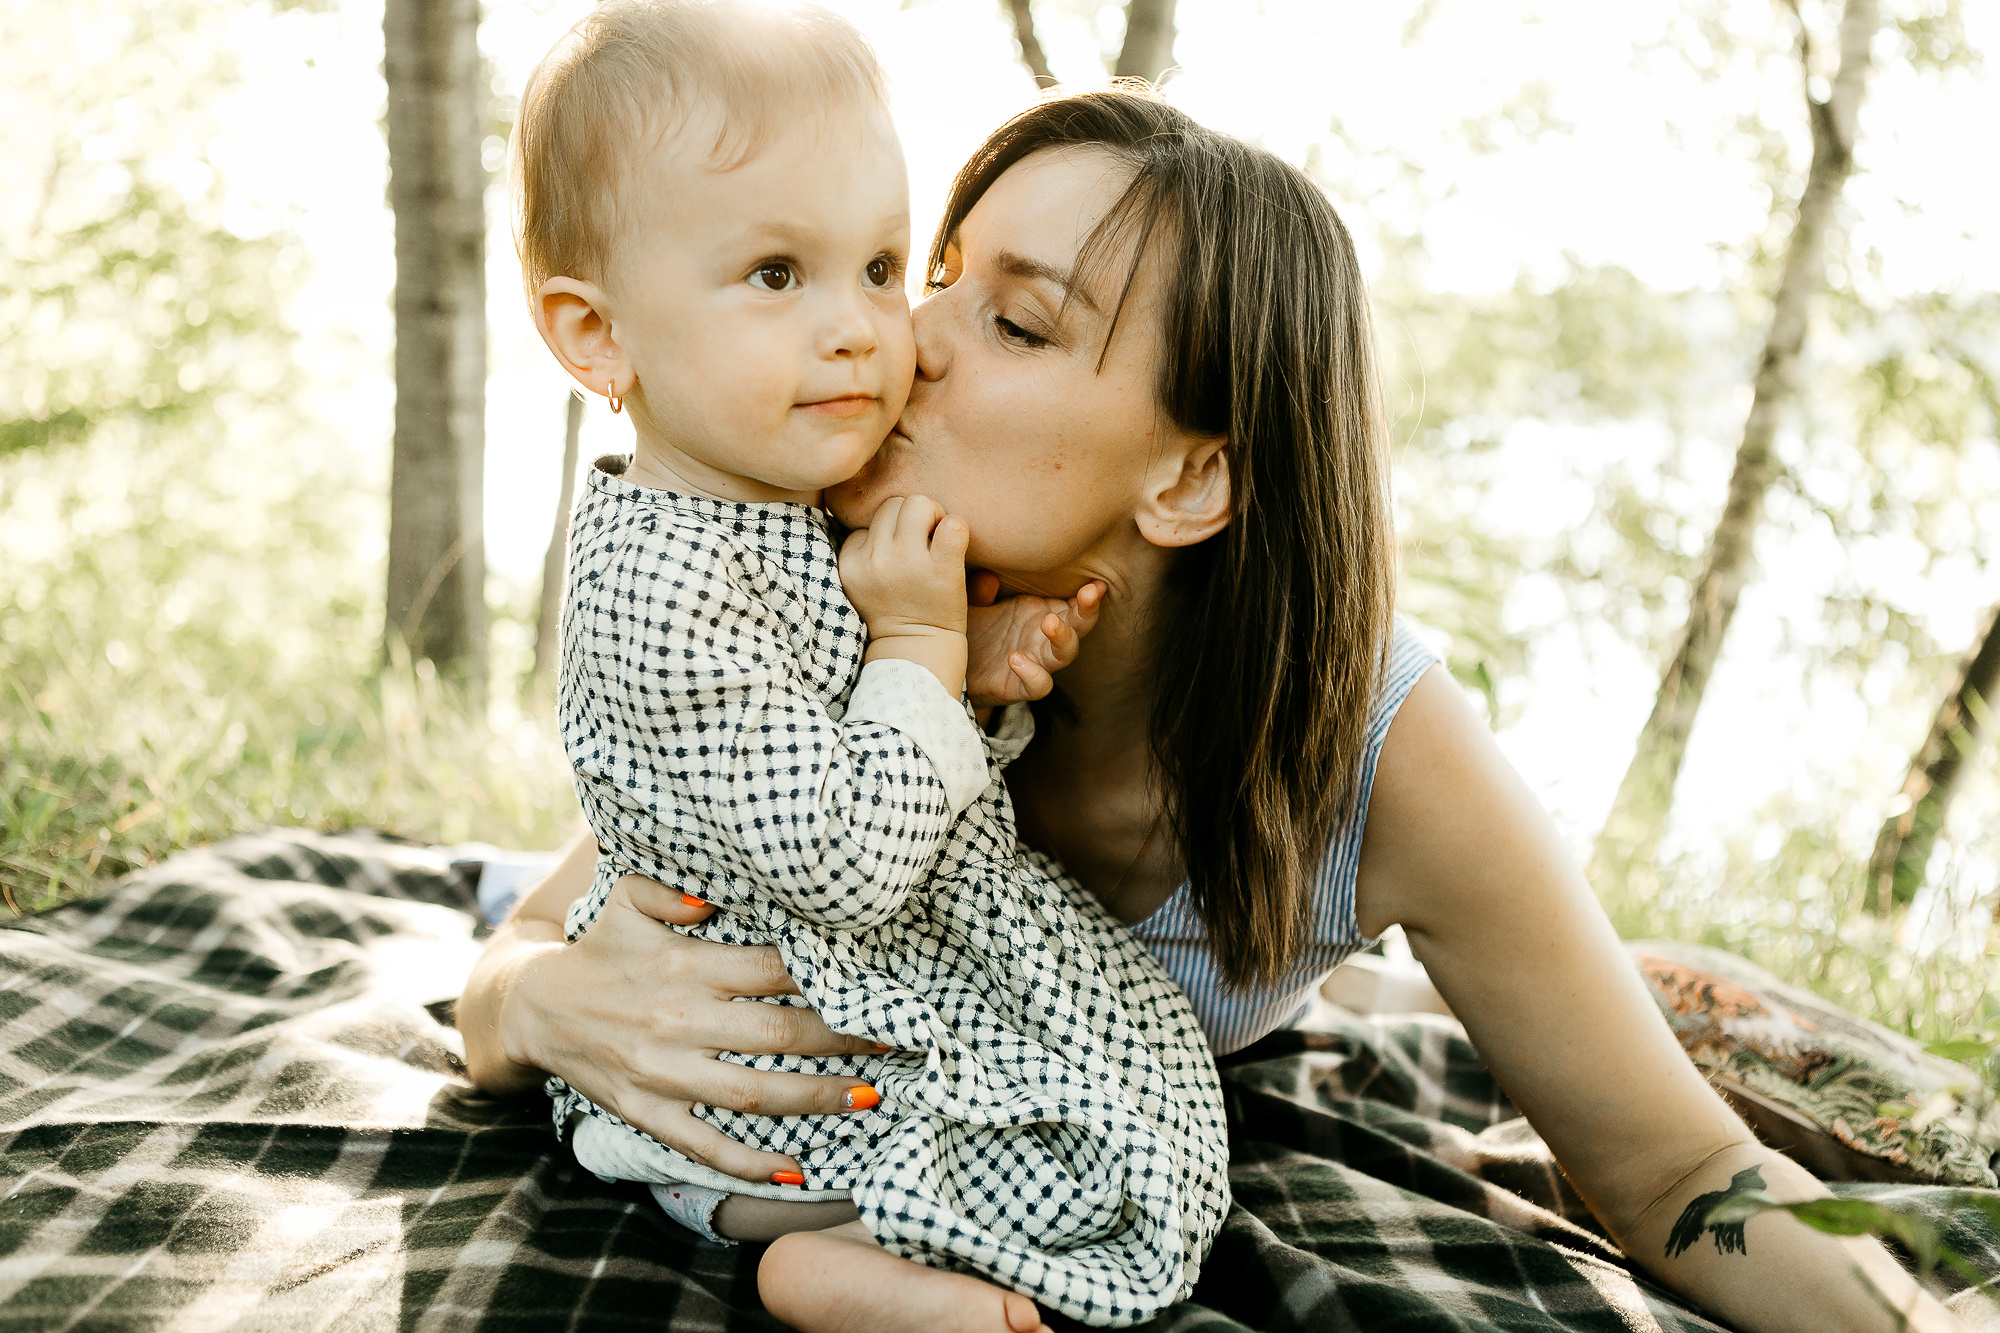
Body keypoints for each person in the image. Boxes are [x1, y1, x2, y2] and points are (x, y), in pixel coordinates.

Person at [467, 82, 1968, 1333]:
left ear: (1191, 479)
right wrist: (537, 1006)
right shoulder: (817, 590)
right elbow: (524, 951)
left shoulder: (1375, 748)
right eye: (934, 275)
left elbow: (1678, 1170)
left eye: (1018, 323)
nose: (907, 338)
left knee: (1639, 998)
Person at [507, 5, 1227, 1332]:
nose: (864, 330)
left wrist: (967, 670)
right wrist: (920, 646)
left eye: (883, 266)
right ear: (597, 334)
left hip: (850, 990)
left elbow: (853, 716)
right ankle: (835, 1266)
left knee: (1117, 1109)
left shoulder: (775, 504)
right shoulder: (659, 576)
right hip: (761, 1075)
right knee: (998, 1148)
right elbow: (842, 850)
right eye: (777, 273)